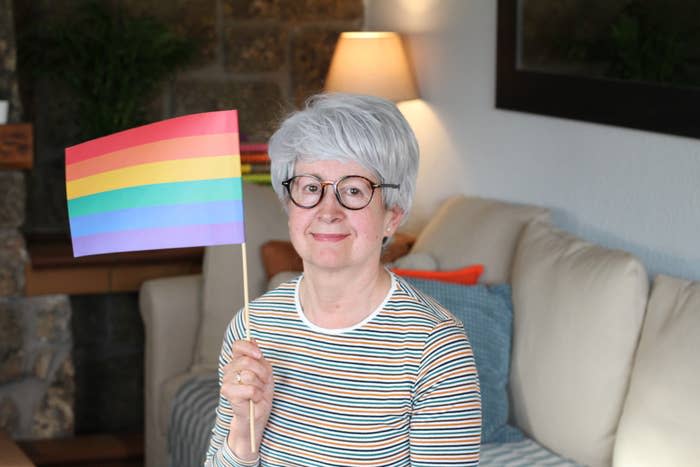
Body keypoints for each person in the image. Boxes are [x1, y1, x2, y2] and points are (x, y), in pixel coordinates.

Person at [205, 93, 481, 466]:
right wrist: (243, 434)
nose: (328, 211)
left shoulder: (437, 350)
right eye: (310, 188)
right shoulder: (251, 329)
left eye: (353, 190)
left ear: (392, 216)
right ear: (289, 206)